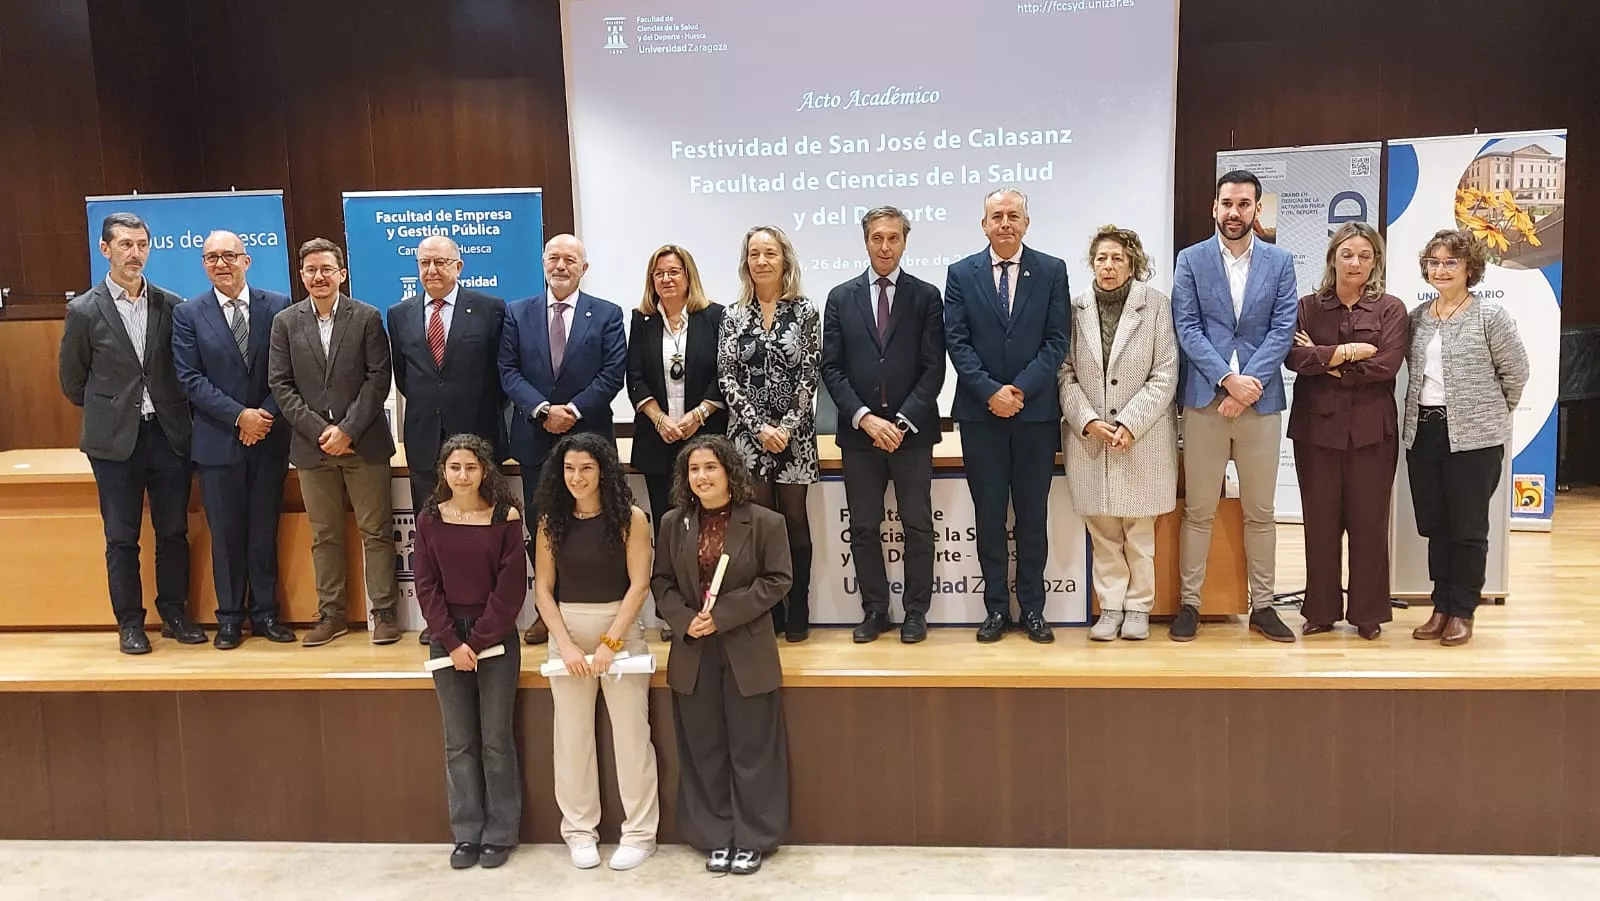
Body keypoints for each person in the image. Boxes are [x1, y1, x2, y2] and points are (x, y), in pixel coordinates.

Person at [58, 212, 202, 655]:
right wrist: (114, 409)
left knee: (173, 530)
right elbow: (72, 381)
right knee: (121, 537)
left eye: (141, 245)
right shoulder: (84, 310)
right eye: (125, 245)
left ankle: (174, 614)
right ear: (105, 249)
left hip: (167, 436)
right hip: (114, 442)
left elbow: (181, 371)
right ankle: (130, 623)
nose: (134, 253)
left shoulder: (171, 304)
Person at [651, 435, 791, 876]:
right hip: (694, 650)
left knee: (752, 749)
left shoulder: (766, 522)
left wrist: (723, 615)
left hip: (746, 649)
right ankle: (715, 836)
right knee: (704, 749)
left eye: (710, 467)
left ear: (730, 472)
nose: (702, 476)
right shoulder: (673, 523)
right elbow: (661, 582)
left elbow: (777, 580)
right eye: (694, 469)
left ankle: (753, 838)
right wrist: (683, 619)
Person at [1170, 170, 1299, 643]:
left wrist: (1248, 387)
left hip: (1260, 405)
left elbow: (1283, 329)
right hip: (1205, 401)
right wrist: (1226, 381)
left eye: (1244, 204)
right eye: (1227, 203)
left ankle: (1263, 607)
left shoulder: (1280, 261)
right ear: (1214, 207)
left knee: (1260, 511)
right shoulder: (1191, 259)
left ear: (1256, 209)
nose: (1234, 212)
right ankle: (1190, 604)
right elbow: (1187, 327)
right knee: (1199, 510)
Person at [942, 188, 1070, 644]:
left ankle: (1033, 609)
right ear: (984, 225)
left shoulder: (1051, 270)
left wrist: (1019, 390)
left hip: (1035, 416)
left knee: (1033, 518)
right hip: (982, 417)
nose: (1005, 223)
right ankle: (996, 608)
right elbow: (957, 341)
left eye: (1013, 215)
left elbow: (1057, 340)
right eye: (996, 216)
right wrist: (991, 392)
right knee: (990, 517)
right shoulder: (961, 273)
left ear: (1026, 223)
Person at [533, 432, 659, 871]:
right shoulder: (550, 520)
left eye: (586, 468)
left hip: (619, 631)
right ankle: (579, 832)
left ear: (603, 470)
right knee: (572, 740)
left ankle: (640, 834)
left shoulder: (632, 518)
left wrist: (611, 642)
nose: (577, 477)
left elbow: (639, 586)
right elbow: (543, 590)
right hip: (566, 631)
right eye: (569, 468)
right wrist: (565, 644)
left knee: (632, 738)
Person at [820, 206, 946, 644]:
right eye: (878, 237)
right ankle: (875, 610)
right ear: (866, 241)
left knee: (917, 525)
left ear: (905, 242)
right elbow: (831, 367)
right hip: (860, 435)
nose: (885, 246)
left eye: (893, 238)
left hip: (912, 434)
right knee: (864, 527)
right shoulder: (840, 297)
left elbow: (934, 367)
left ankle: (915, 611)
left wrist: (903, 421)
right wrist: (866, 419)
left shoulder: (926, 296)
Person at [268, 237, 401, 647]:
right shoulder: (285, 322)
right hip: (312, 449)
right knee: (324, 535)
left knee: (375, 532)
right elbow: (280, 384)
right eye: (311, 270)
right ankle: (332, 614)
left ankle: (384, 612)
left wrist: (347, 430)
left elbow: (378, 378)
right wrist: (319, 431)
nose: (319, 276)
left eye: (327, 269)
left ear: (342, 274)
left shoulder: (367, 317)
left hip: (363, 445)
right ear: (301, 275)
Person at [1403, 229, 1529, 647]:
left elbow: (1516, 373)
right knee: (1436, 524)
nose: (1441, 270)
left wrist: (1491, 415)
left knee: (1468, 528)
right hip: (1424, 433)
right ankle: (1440, 606)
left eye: (1450, 262)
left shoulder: (1489, 316)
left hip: (1475, 440)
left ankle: (1462, 610)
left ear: (1469, 268)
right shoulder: (1417, 318)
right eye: (1434, 262)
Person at [500, 233, 627, 646]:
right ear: (543, 263)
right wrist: (543, 410)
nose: (560, 265)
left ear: (583, 268)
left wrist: (571, 410)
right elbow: (508, 371)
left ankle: (604, 608)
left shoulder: (607, 314)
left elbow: (613, 373)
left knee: (598, 524)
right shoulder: (517, 312)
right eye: (553, 258)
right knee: (544, 526)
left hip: (590, 436)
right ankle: (547, 612)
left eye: (570, 260)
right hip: (535, 438)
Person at [171, 229, 296, 649]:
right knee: (225, 535)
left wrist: (263, 416)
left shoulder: (277, 305)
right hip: (218, 442)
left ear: (247, 260)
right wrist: (239, 416)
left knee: (263, 531)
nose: (221, 264)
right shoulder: (188, 314)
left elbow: (287, 372)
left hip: (269, 438)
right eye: (211, 258)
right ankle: (229, 619)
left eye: (228, 255)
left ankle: (266, 614)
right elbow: (190, 378)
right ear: (204, 265)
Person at [1285, 223, 1409, 639]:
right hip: (1316, 432)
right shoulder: (1307, 307)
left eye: (1365, 255)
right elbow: (1293, 358)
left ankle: (1367, 613)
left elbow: (1387, 365)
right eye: (1347, 254)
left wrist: (1326, 363)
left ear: (1376, 262)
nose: (1355, 263)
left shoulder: (1390, 309)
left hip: (1372, 433)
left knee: (1369, 525)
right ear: (1332, 258)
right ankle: (1320, 611)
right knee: (1319, 525)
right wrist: (1350, 352)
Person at [412, 434, 527, 871]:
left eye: (471, 467)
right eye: (455, 467)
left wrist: (475, 643)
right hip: (447, 638)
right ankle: (466, 833)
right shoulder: (429, 519)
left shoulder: (505, 517)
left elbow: (510, 589)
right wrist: (451, 641)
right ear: (443, 471)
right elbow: (426, 586)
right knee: (458, 742)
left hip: (493, 637)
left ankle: (501, 833)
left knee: (496, 741)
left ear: (485, 471)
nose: (463, 475)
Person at [1057, 225, 1177, 642]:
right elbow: (1065, 372)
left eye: (1117, 259)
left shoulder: (1156, 305)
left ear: (1132, 264)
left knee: (1139, 533)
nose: (1108, 266)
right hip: (1090, 438)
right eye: (1101, 259)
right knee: (1104, 533)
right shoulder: (1075, 308)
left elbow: (1165, 373)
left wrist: (1130, 422)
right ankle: (1110, 607)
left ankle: (1139, 607)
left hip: (1141, 437)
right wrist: (1087, 419)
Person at [388, 235, 508, 645]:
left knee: (484, 534)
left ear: (459, 266)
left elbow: (501, 376)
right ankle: (439, 621)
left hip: (478, 438)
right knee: (433, 536)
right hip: (425, 440)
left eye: (440, 262)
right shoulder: (399, 314)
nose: (432, 270)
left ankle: (487, 619)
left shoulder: (490, 309)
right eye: (424, 263)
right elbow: (405, 377)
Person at [717, 225, 820, 643]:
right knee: (759, 524)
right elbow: (726, 377)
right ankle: (770, 608)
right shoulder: (732, 314)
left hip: (795, 437)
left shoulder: (806, 311)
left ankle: (800, 607)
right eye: (755, 254)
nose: (762, 261)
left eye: (770, 253)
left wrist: (786, 427)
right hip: (748, 437)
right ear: (746, 262)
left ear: (784, 260)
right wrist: (759, 427)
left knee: (793, 520)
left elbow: (810, 374)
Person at [625, 244, 728, 642]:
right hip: (659, 440)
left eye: (674, 272)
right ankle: (674, 614)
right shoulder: (642, 321)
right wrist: (659, 419)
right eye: (659, 274)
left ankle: (712, 610)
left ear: (688, 276)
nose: (667, 279)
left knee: (710, 529)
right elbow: (635, 376)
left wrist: (697, 416)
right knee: (670, 529)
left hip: (706, 438)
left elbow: (723, 373)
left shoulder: (714, 316)